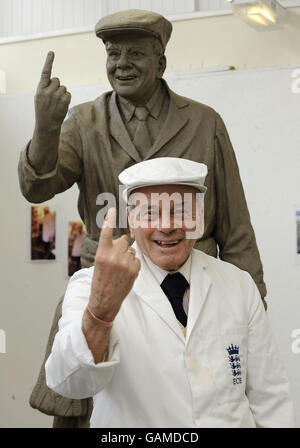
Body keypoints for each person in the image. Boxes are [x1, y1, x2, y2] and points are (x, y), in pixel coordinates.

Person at [18, 9, 267, 426]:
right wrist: (45, 127)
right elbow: (37, 188)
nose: (122, 64)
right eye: (113, 54)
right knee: (94, 400)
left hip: (191, 292)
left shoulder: (205, 123)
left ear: (161, 62)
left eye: (135, 53)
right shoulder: (83, 122)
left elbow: (236, 230)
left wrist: (252, 315)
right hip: (108, 289)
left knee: (195, 403)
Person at [45, 158, 294, 428]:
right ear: (131, 220)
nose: (166, 226)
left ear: (200, 217)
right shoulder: (89, 285)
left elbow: (271, 400)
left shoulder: (239, 285)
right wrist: (100, 312)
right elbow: (69, 382)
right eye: (150, 213)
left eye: (181, 211)